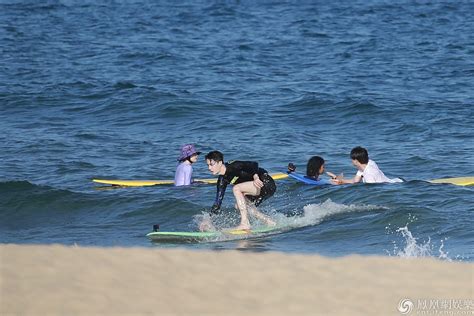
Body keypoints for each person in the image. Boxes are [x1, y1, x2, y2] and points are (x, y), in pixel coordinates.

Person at [201, 150, 276, 231]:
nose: (209, 168)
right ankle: (269, 221)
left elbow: (254, 164)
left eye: (211, 164)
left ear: (220, 162)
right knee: (239, 205)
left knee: (236, 188)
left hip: (265, 183)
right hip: (257, 190)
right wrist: (208, 219)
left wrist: (255, 177)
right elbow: (217, 203)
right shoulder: (222, 180)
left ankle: (245, 224)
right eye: (208, 165)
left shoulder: (233, 165)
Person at [335, 146, 403, 184]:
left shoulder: (368, 175)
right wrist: (341, 181)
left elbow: (372, 192)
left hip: (397, 184)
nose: (351, 161)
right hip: (397, 181)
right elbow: (355, 180)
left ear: (356, 161)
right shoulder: (368, 163)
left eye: (352, 159)